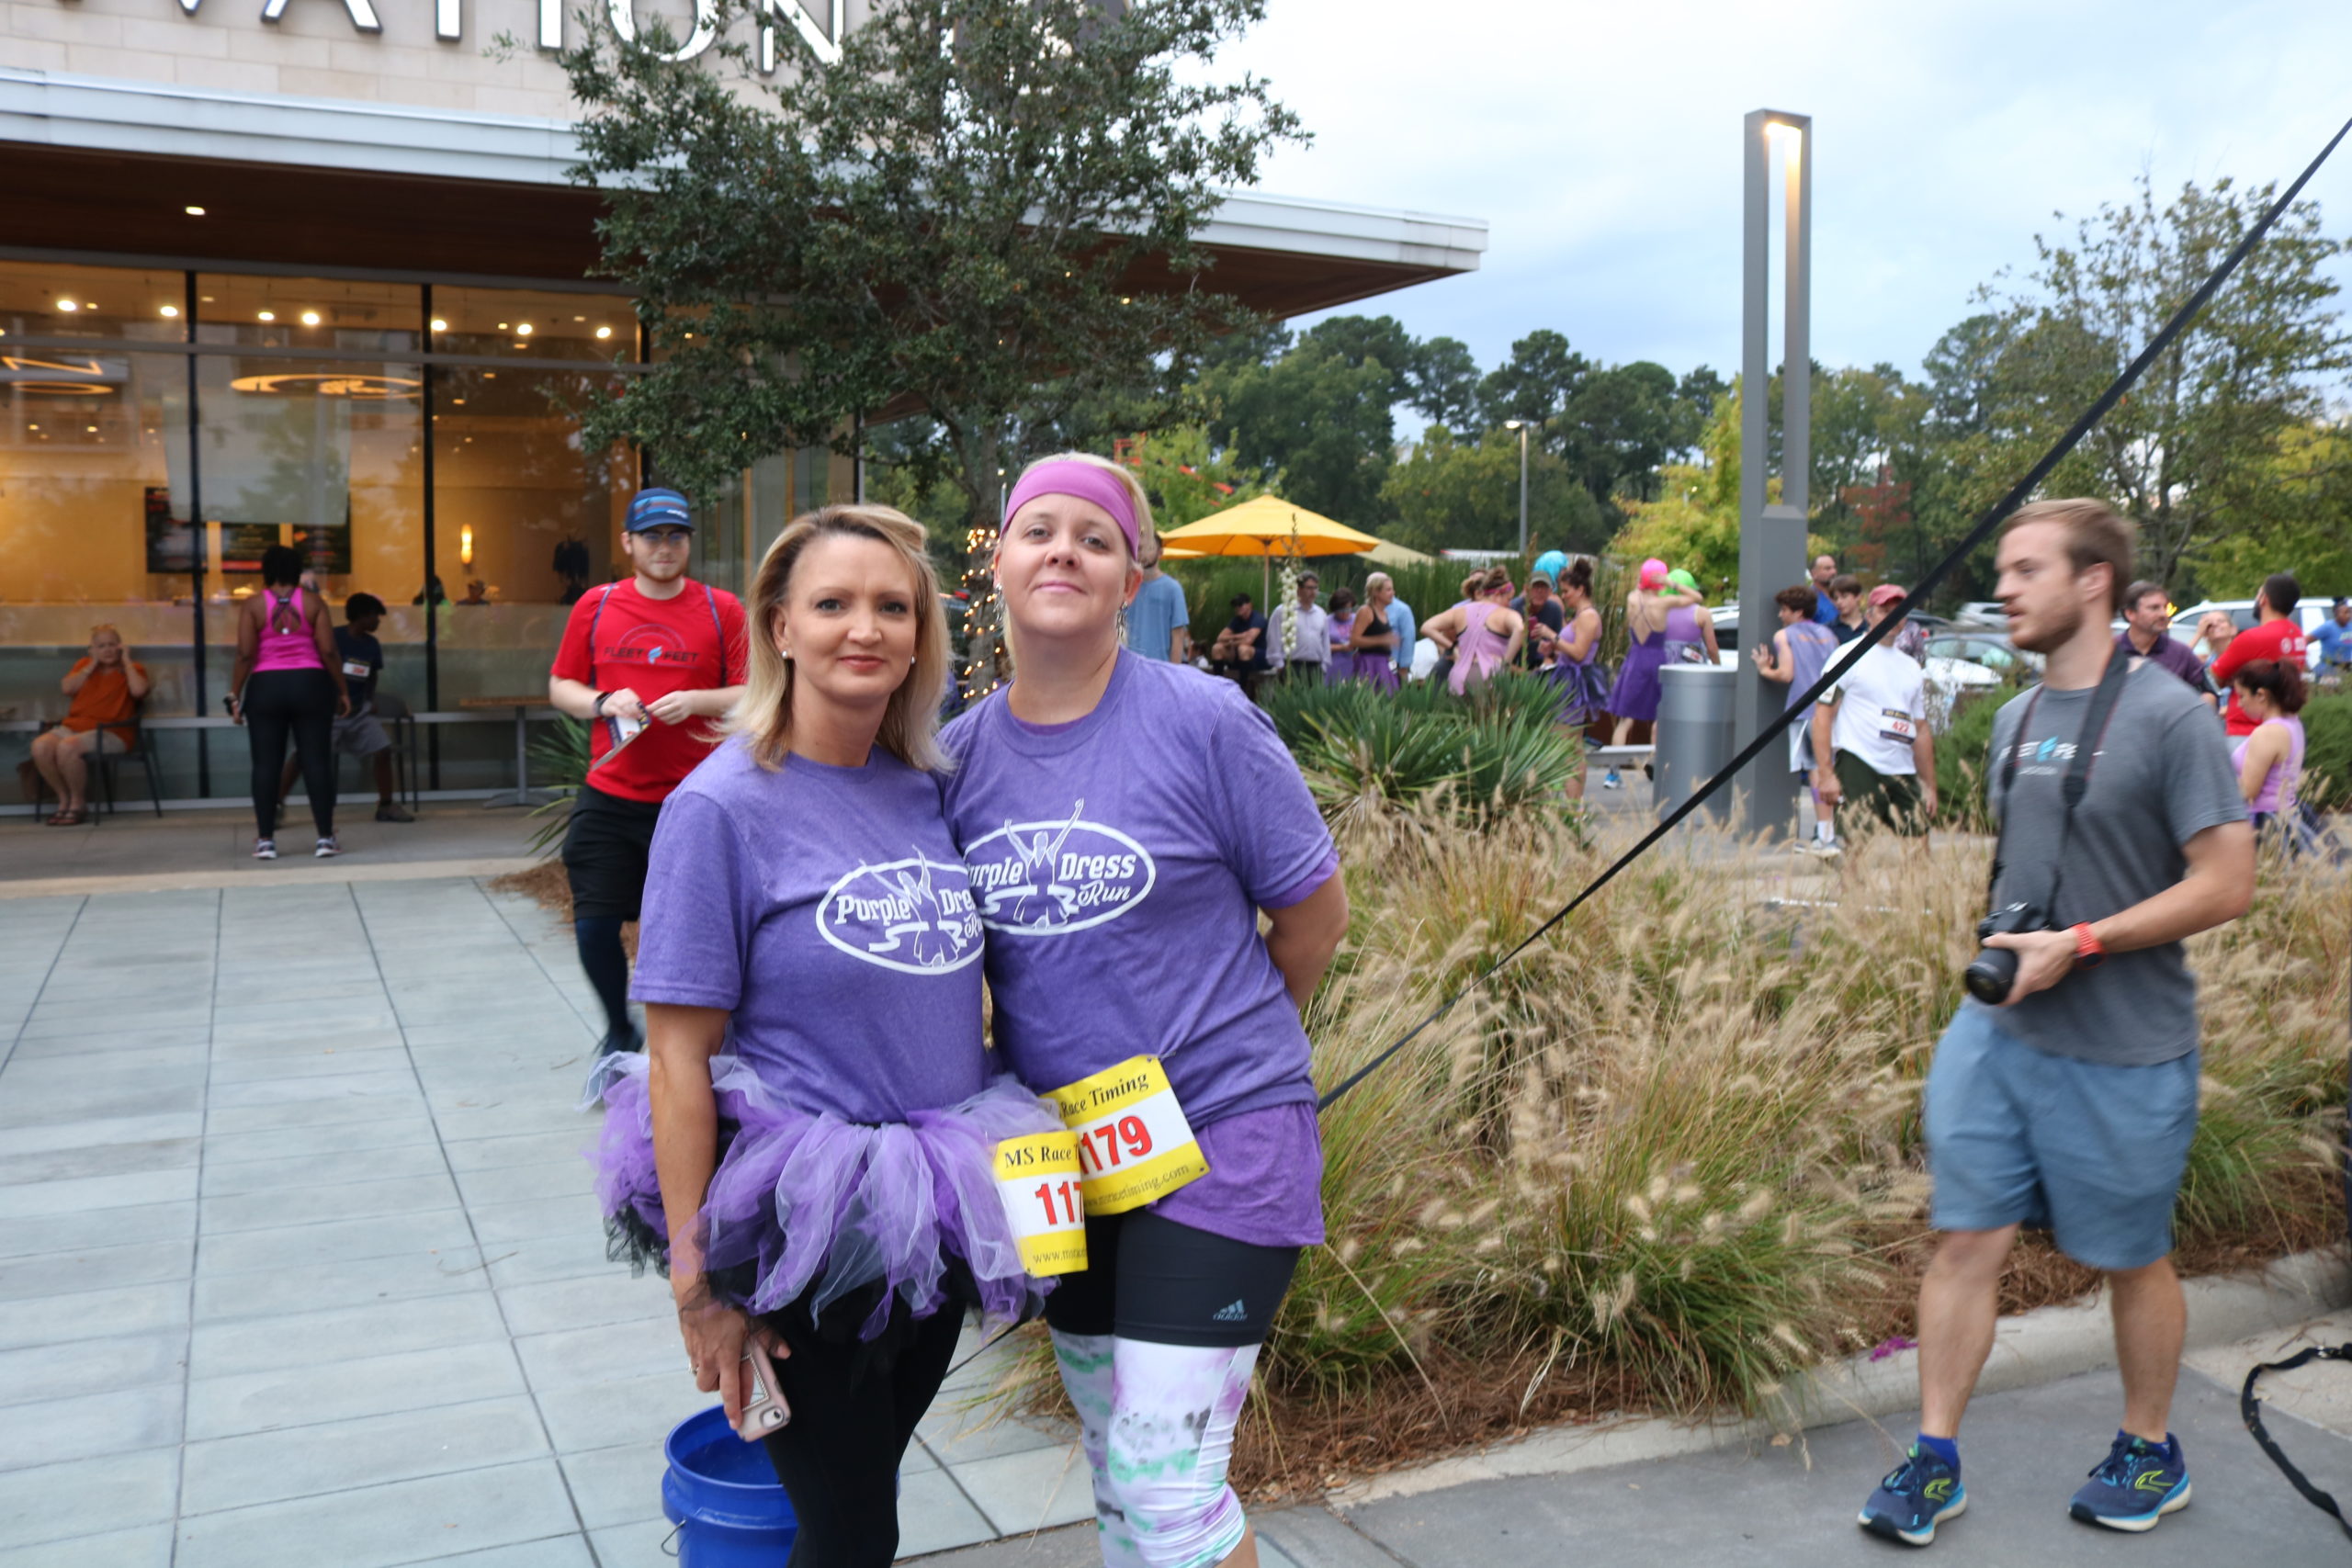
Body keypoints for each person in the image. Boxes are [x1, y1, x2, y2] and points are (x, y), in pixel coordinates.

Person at [590, 503, 1064, 1568]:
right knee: (857, 1535)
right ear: (780, 627)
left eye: (892, 606)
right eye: (834, 603)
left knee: (849, 1519)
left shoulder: (928, 792)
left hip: (936, 1206)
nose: (867, 628)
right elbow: (675, 1058)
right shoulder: (719, 809)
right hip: (804, 1223)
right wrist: (696, 1286)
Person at [939, 452, 1350, 1568]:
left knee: (1171, 1492)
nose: (1064, 549)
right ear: (1001, 565)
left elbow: (1313, 917)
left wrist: (1240, 1056)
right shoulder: (958, 758)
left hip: (1222, 1137)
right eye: (1039, 531)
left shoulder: (1205, 720)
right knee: (1119, 1473)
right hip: (1062, 1163)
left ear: (1134, 577)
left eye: (1095, 536)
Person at [1857, 499, 2253, 1546]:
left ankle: (2148, 1447)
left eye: (2027, 568)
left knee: (2131, 1257)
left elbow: (2226, 883)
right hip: (1995, 1038)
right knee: (1963, 1242)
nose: (2004, 587)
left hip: (2125, 1047)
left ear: (2092, 583)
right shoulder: (2012, 723)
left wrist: (2078, 945)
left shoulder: (2172, 718)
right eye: (2002, 568)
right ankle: (1933, 1457)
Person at [548, 487, 748, 1071]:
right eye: (653, 536)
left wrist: (696, 701)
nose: (665, 547)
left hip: (696, 800)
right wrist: (605, 700)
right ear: (628, 543)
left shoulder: (722, 609)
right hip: (610, 794)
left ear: (688, 542)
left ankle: (708, 1044)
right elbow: (562, 686)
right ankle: (617, 1028)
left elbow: (752, 692)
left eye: (676, 536)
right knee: (594, 922)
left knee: (701, 931)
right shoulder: (597, 604)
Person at [229, 544, 350, 861]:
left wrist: (235, 694)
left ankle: (266, 840)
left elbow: (244, 653)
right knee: (317, 762)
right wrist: (342, 690)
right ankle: (325, 838)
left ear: (265, 571)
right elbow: (328, 651)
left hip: (266, 687)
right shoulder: (314, 603)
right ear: (298, 571)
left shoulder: (253, 605)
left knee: (266, 765)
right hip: (310, 684)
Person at [275, 592, 413, 827]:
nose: (378, 622)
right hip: (328, 712)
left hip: (359, 711)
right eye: (375, 616)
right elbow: (315, 668)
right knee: (302, 757)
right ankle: (275, 803)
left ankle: (386, 805)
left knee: (382, 750)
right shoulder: (333, 638)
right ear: (361, 616)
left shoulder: (371, 645)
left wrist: (369, 700)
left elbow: (371, 675)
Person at [1811, 584, 1937, 840]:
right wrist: (1826, 774)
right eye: (1884, 611)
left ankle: (1916, 883)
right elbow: (1822, 716)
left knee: (1919, 844)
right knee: (1857, 847)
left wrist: (1929, 786)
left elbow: (1921, 728)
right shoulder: (1847, 656)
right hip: (1859, 761)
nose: (1893, 617)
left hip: (1901, 767)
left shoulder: (1911, 667)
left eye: (1899, 612)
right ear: (1869, 615)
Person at [1752, 584, 1842, 855]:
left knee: (1817, 771)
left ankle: (1825, 837)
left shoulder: (1785, 635)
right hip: (1834, 710)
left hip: (1805, 711)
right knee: (1831, 768)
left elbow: (1786, 674)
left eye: (1785, 609)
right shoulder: (1829, 634)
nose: (1780, 615)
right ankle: (1831, 832)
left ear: (1798, 611)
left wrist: (1764, 669)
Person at [32, 625, 149, 827]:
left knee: (68, 746)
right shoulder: (84, 665)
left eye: (112, 645)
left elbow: (139, 691)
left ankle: (78, 803)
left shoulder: (132, 668)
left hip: (112, 732)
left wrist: (127, 660)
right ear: (92, 649)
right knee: (40, 746)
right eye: (101, 646)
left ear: (120, 647)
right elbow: (67, 688)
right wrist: (92, 663)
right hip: (73, 727)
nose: (108, 650)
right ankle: (64, 799)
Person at [1600, 558, 1701, 784]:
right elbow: (1697, 598)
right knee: (1660, 715)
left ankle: (1613, 773)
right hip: (1656, 657)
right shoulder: (1663, 604)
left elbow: (1638, 588)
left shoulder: (1631, 599)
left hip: (1635, 657)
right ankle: (1655, 763)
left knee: (1626, 719)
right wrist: (1671, 583)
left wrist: (1645, 581)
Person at [2209, 571, 2307, 738]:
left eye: (2259, 593)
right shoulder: (2297, 633)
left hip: (2247, 730)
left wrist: (2235, 679)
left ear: (2264, 599)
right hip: (2285, 726)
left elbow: (2213, 679)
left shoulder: (2252, 637)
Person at [2229, 660, 2307, 840]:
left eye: (2242, 696)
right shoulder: (2293, 722)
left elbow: (2248, 792)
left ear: (2261, 695)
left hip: (2263, 823)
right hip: (2284, 816)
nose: (2239, 705)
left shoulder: (2267, 733)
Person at [1551, 560, 1608, 801]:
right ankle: (1571, 804)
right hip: (1566, 678)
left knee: (1568, 745)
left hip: (1573, 683)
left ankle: (1573, 805)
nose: (1563, 597)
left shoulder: (1588, 617)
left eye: (1566, 592)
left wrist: (1552, 637)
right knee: (1567, 744)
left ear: (1580, 590)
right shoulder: (1581, 615)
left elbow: (1579, 652)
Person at [1424, 569, 1526, 696]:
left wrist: (1452, 647)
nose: (1510, 603)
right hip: (1490, 677)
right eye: (1508, 598)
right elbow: (1520, 629)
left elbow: (1427, 627)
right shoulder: (1507, 614)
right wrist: (1506, 663)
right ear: (1497, 594)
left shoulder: (1460, 610)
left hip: (1459, 677)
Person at [2116, 581, 2214, 706]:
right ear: (2130, 614)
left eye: (2165, 607)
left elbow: (2208, 694)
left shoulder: (2181, 653)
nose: (2163, 614)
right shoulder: (2109, 652)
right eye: (2154, 608)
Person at [1123, 526, 1191, 663]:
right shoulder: (1125, 586)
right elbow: (1117, 625)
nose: (1142, 553)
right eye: (1139, 548)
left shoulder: (1173, 589)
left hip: (1159, 668)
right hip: (1127, 666)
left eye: (1149, 548)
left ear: (1160, 552)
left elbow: (1178, 636)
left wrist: (1173, 674)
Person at [1268, 570, 1330, 684]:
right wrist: (1280, 665)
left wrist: (1324, 666)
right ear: (1298, 589)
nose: (1313, 592)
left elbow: (1325, 641)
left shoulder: (1321, 613)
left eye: (1316, 588)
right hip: (1291, 666)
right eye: (1309, 588)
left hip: (1315, 667)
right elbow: (1274, 638)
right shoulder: (1283, 611)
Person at [1350, 574, 1403, 694]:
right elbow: (1354, 640)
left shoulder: (1385, 613)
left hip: (1385, 662)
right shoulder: (1366, 611)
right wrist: (1382, 640)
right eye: (1388, 590)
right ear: (1375, 592)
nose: (1393, 593)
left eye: (1392, 589)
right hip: (1368, 662)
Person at [1208, 592, 1271, 694]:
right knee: (1217, 648)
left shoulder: (1258, 619)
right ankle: (1218, 687)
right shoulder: (1236, 620)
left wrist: (1231, 641)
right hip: (1238, 657)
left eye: (1241, 604)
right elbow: (1220, 638)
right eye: (1236, 605)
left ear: (1249, 605)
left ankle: (1242, 690)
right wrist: (1240, 636)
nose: (1238, 607)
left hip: (1259, 658)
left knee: (1243, 648)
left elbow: (1249, 641)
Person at [1660, 568, 1719, 665]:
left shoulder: (1659, 611)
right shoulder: (1702, 613)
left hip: (1665, 668)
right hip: (1693, 671)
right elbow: (1712, 649)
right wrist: (1718, 668)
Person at [1512, 571, 1566, 670]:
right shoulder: (1514, 609)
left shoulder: (1555, 610)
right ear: (1525, 589)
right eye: (1535, 586)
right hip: (1514, 667)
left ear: (1550, 591)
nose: (1540, 591)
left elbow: (1558, 646)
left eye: (1544, 587)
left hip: (1541, 668)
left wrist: (1550, 653)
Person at [2312, 596, 2351, 689]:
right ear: (2336, 613)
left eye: (2349, 612)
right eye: (2345, 612)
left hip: (2346, 669)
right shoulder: (2328, 627)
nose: (2348, 615)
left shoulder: (2350, 626)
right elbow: (2304, 641)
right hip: (2328, 669)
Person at [1324, 587, 1359, 682]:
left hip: (1355, 665)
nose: (1345, 614)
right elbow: (1321, 647)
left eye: (1348, 609)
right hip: (1333, 666)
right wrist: (1342, 647)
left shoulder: (1358, 619)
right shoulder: (1327, 621)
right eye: (1341, 611)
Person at [1826, 572, 1869, 643]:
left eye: (1844, 596)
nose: (1839, 602)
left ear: (1858, 597)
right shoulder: (1827, 630)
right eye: (1835, 598)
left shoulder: (1871, 626)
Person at [1810, 554, 1841, 624]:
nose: (1834, 572)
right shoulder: (1809, 599)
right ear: (1813, 574)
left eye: (1834, 568)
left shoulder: (1841, 595)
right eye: (1828, 569)